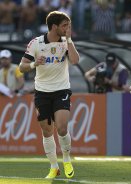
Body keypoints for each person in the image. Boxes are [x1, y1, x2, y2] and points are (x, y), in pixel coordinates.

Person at [19, 11, 80, 179]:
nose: (68, 29)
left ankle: (66, 159)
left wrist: (69, 39)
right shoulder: (36, 43)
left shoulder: (65, 42)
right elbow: (21, 67)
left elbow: (75, 60)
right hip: (42, 93)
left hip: (61, 90)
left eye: (68, 25)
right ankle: (54, 167)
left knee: (61, 128)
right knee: (47, 131)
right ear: (54, 26)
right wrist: (33, 63)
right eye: (65, 26)